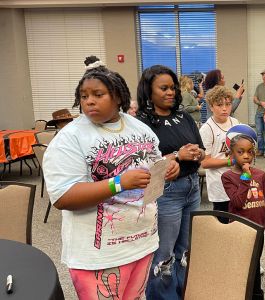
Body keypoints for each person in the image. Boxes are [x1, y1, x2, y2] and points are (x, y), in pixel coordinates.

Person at [43, 56, 179, 299]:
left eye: (98, 94)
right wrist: (118, 183)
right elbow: (63, 197)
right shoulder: (70, 138)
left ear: (118, 96)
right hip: (98, 257)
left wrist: (167, 171)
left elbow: (154, 172)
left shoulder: (139, 128)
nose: (89, 101)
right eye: (84, 96)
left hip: (143, 244)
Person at [136, 65, 205, 300]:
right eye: (163, 88)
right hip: (165, 193)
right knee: (164, 255)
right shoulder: (141, 123)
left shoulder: (184, 116)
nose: (171, 92)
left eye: (172, 88)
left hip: (192, 188)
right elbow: (141, 166)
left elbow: (201, 152)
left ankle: (183, 292)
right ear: (148, 92)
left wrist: (197, 153)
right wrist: (177, 155)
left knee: (185, 251)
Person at [221, 133, 265, 300]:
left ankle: (257, 295)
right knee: (242, 267)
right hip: (239, 231)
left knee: (255, 265)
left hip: (258, 230)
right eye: (240, 151)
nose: (246, 156)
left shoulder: (261, 175)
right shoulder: (228, 177)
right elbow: (237, 202)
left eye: (250, 152)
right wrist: (245, 177)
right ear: (232, 154)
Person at [200, 85, 239, 223]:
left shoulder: (234, 122)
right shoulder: (207, 129)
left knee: (238, 221)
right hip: (219, 184)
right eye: (219, 105)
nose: (224, 108)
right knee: (222, 223)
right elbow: (205, 162)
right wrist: (230, 162)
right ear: (211, 106)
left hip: (237, 181)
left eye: (228, 104)